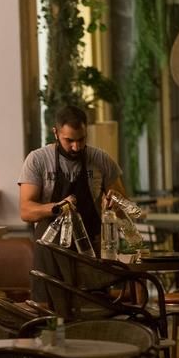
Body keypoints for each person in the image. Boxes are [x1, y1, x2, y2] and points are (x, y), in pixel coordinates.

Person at [18, 106, 126, 301]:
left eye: (81, 139)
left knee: (95, 311)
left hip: (90, 250)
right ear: (56, 133)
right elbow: (26, 210)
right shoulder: (38, 160)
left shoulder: (100, 159)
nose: (76, 147)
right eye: (69, 140)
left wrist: (114, 202)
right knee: (50, 316)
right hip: (50, 249)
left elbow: (123, 205)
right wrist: (58, 207)